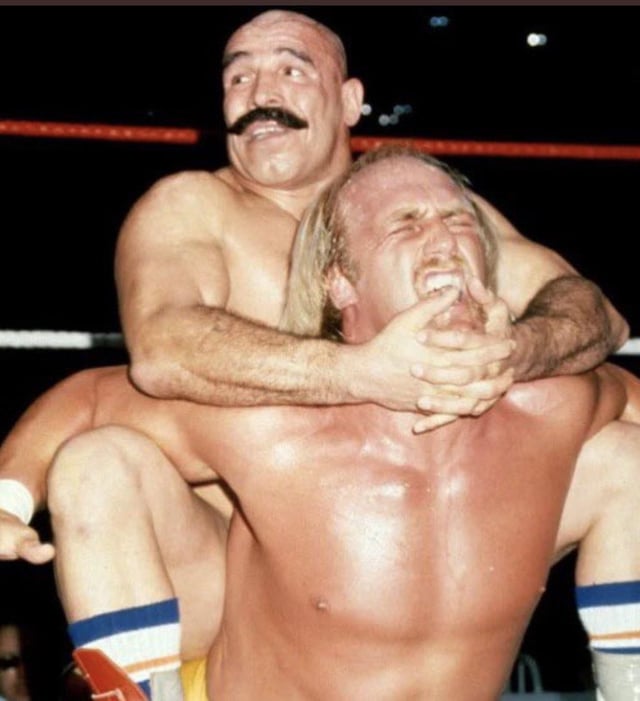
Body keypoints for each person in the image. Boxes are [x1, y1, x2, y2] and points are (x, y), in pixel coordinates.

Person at [0, 8, 632, 697]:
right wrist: (363, 372)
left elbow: (591, 314)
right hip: (223, 569)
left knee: (623, 455)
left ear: (352, 100)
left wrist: (517, 348)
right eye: (238, 77)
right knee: (99, 464)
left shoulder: (427, 212)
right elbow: (158, 352)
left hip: (426, 536)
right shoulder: (191, 207)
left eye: (290, 70)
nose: (259, 94)